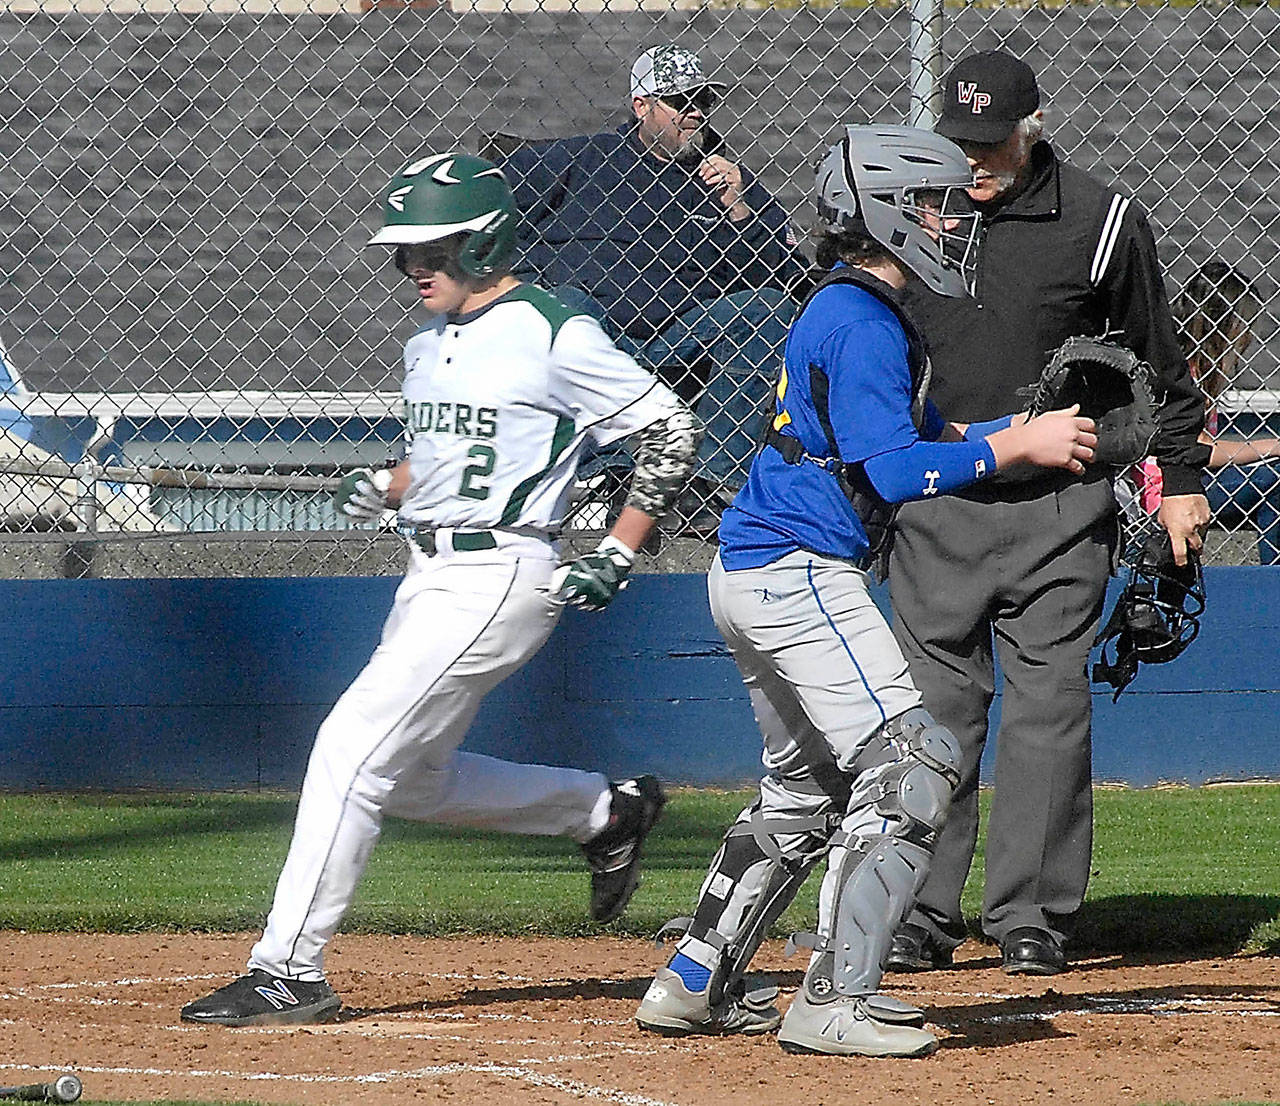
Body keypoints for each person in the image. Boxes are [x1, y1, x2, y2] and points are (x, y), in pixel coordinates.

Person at [181, 152, 704, 1027]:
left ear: (486, 239)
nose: (414, 266)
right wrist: (388, 485)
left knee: (348, 747)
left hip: (501, 572)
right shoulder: (425, 344)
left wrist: (619, 546)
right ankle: (603, 812)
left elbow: (670, 429)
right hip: (428, 572)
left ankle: (289, 971)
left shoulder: (553, 331)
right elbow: (450, 463)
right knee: (412, 780)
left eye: (433, 247)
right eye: (405, 251)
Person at [633, 124, 1096, 1058]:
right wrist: (1012, 450)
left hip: (753, 570)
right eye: (928, 205)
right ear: (885, 214)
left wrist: (1018, 426)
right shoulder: (860, 318)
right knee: (914, 765)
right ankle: (836, 1001)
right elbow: (891, 471)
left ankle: (693, 980)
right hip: (798, 568)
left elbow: (920, 429)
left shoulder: (859, 312)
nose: (947, 221)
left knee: (803, 793)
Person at [884, 50, 1211, 980]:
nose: (975, 161)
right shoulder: (914, 213)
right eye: (960, 142)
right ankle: (918, 909)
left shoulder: (1101, 222)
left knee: (1049, 711)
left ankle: (1030, 914)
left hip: (1063, 505)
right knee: (936, 712)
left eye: (992, 143)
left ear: (1032, 125)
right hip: (940, 495)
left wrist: (1181, 476)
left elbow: (1163, 361)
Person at [502, 43, 807, 522]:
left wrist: (739, 209)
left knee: (766, 310)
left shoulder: (728, 178)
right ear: (641, 106)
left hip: (682, 344)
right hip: (593, 340)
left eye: (704, 101)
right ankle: (615, 474)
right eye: (681, 101)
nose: (695, 114)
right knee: (567, 303)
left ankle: (703, 482)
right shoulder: (582, 161)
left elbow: (789, 277)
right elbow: (492, 216)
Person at [1132, 261, 1280, 565]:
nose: (1250, 335)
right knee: (1274, 479)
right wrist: (1271, 447)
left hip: (1186, 479)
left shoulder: (1205, 371)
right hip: (1163, 489)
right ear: (1226, 322)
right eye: (1245, 322)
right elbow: (1199, 449)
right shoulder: (1184, 371)